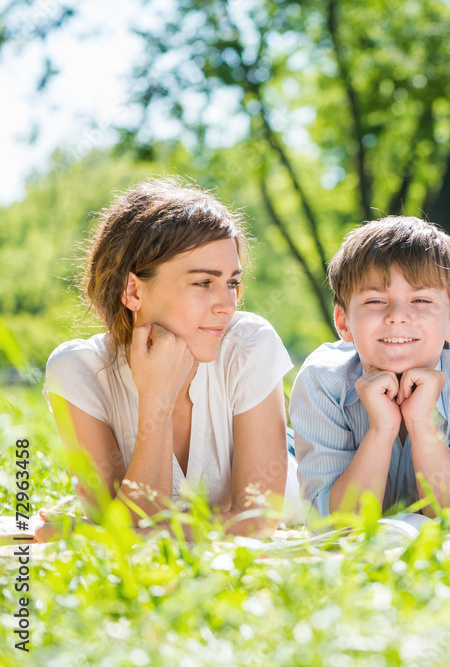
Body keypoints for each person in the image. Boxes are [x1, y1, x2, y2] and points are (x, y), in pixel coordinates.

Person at [43, 178, 295, 537]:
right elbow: (127, 526)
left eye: (232, 283)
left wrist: (94, 532)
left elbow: (256, 521)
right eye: (203, 283)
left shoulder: (250, 343)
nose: (227, 305)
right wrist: (156, 403)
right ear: (133, 290)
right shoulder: (78, 371)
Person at [290, 216, 450, 526]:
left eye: (421, 299)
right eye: (375, 300)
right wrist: (382, 429)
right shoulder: (322, 379)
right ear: (343, 322)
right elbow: (334, 531)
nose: (397, 316)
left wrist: (421, 423)